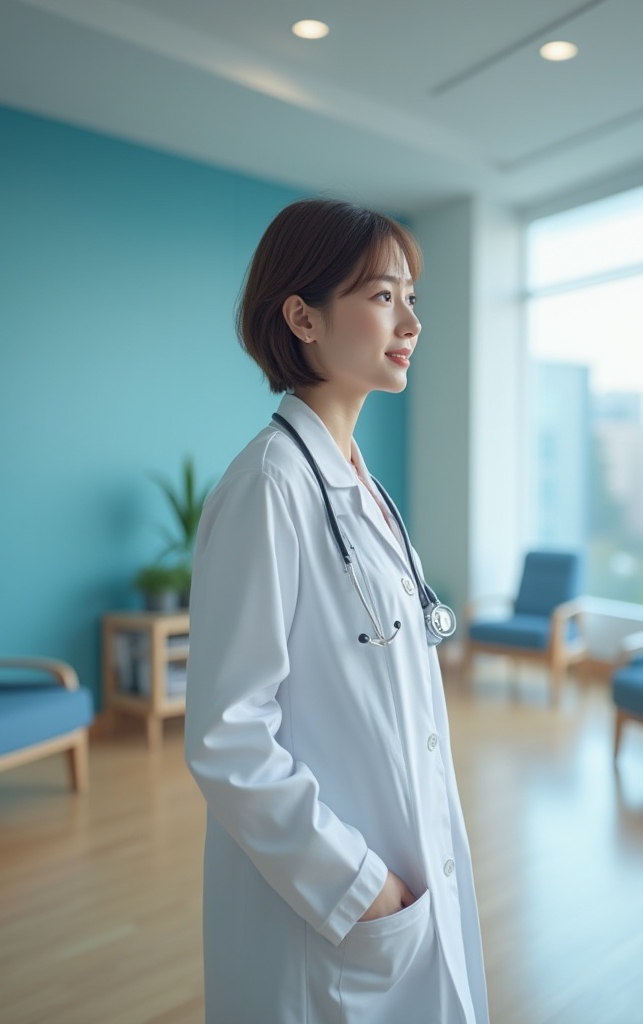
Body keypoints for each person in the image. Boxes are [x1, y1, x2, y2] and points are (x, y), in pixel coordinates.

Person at [184, 198, 489, 1024]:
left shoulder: (361, 490)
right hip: (337, 908)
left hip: (397, 875)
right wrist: (363, 889)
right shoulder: (268, 488)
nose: (411, 322)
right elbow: (227, 734)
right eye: (383, 296)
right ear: (303, 316)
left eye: (412, 297)